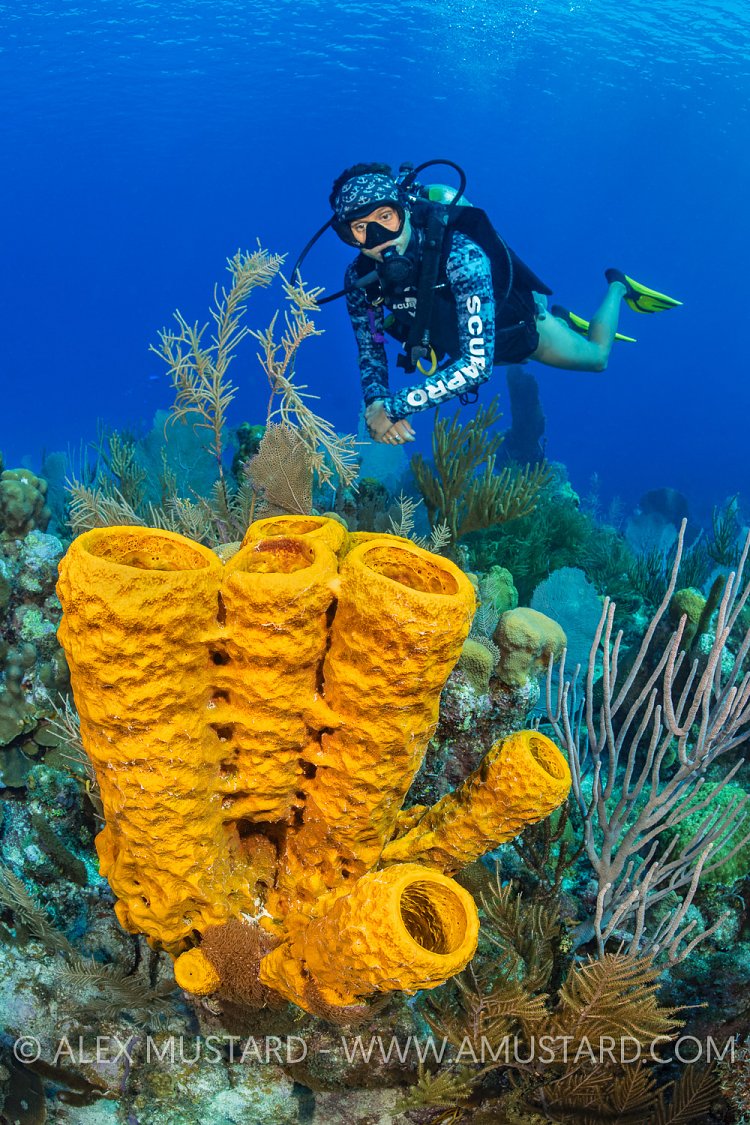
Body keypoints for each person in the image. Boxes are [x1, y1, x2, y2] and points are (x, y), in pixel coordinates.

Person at [329, 163, 681, 445]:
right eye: (360, 227)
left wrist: (392, 407)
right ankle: (566, 321)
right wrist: (375, 401)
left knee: (597, 358)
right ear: (346, 234)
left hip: (519, 331)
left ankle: (618, 286)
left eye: (385, 218)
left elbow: (477, 366)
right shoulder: (360, 279)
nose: (377, 238)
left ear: (403, 209)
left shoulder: (461, 256)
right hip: (457, 341)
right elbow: (371, 347)